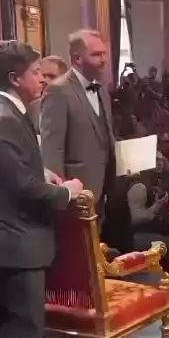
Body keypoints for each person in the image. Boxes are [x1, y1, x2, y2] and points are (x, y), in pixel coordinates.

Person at [0, 40, 83, 338]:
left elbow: (16, 174)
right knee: (23, 333)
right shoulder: (5, 118)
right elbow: (22, 189)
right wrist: (66, 191)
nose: (43, 79)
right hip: (18, 242)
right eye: (36, 72)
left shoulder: (12, 114)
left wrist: (41, 173)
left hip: (13, 240)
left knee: (11, 332)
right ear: (14, 78)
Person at [40, 29, 116, 215]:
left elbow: (104, 136)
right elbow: (52, 149)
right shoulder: (58, 91)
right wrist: (60, 195)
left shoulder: (101, 90)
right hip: (75, 193)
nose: (104, 60)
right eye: (96, 55)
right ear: (77, 59)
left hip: (102, 189)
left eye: (104, 53)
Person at [29, 54, 68, 133]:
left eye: (52, 76)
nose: (45, 81)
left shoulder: (76, 105)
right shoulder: (31, 108)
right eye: (43, 76)